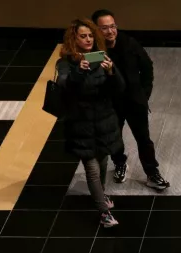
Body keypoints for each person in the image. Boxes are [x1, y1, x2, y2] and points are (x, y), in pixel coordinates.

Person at [91, 9, 171, 191]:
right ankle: (120, 164)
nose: (110, 31)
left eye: (112, 26)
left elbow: (147, 68)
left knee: (144, 139)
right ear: (96, 29)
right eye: (104, 28)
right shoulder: (94, 50)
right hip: (110, 103)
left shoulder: (129, 43)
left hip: (134, 102)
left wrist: (144, 94)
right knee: (114, 138)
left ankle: (152, 173)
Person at [56, 19, 124, 228]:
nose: (88, 39)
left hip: (104, 122)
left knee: (103, 163)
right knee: (92, 168)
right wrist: (79, 72)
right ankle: (103, 214)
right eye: (82, 36)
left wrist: (111, 71)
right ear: (73, 39)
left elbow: (119, 88)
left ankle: (101, 196)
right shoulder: (67, 62)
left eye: (90, 35)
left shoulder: (102, 57)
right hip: (81, 124)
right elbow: (64, 85)